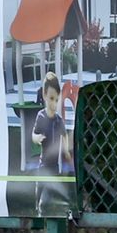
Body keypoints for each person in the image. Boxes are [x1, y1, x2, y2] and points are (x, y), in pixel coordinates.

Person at [32, 72, 72, 215]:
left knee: (45, 202)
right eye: (51, 99)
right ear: (44, 95)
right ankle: (38, 209)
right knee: (39, 189)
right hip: (43, 165)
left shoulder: (58, 120)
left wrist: (67, 151)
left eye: (56, 99)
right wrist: (36, 138)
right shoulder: (41, 117)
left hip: (54, 167)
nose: (54, 103)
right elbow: (34, 133)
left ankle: (42, 211)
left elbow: (64, 136)